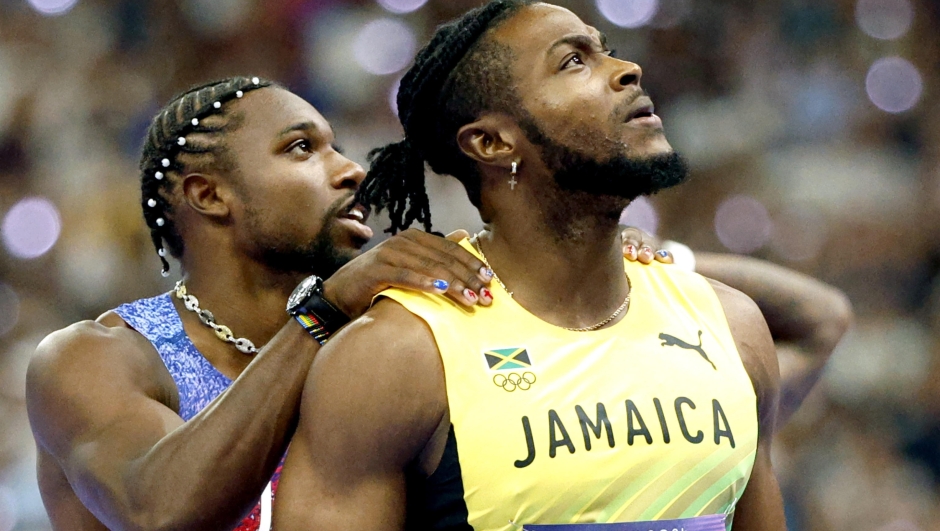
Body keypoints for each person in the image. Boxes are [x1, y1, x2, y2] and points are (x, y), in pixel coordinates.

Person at [273, 2, 850, 529]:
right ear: (493, 143)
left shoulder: (732, 325)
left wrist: (677, 261)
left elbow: (827, 320)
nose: (628, 70)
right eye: (574, 61)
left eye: (608, 49)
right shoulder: (397, 355)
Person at [25, 77, 500, 531]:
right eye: (301, 148)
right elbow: (158, 510)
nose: (352, 170)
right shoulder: (91, 359)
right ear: (209, 195)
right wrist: (321, 312)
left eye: (336, 147)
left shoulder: (376, 342)